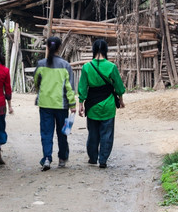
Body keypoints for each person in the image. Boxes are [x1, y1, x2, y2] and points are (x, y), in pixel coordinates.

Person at [78, 39, 125, 169]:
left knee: (93, 133)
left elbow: (82, 87)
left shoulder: (87, 67)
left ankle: (93, 158)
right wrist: (120, 100)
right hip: (108, 105)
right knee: (107, 134)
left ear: (93, 50)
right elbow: (119, 87)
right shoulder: (111, 67)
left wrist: (81, 104)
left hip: (92, 105)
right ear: (106, 50)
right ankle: (103, 160)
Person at [34, 36, 76, 171]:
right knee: (62, 132)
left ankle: (47, 158)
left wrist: (41, 92)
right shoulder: (65, 65)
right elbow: (69, 88)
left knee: (46, 132)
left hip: (45, 104)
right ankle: (62, 158)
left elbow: (36, 82)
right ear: (60, 48)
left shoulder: (41, 64)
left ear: (47, 47)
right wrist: (73, 104)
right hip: (61, 105)